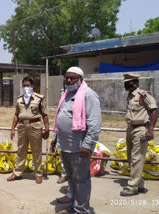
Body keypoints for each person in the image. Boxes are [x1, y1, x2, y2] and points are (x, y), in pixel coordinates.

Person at [53, 67, 101, 214]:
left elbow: (94, 123)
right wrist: (55, 139)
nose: (69, 80)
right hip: (65, 145)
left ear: (81, 79)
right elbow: (60, 118)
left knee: (81, 179)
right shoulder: (66, 94)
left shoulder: (88, 95)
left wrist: (87, 145)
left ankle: (82, 210)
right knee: (72, 178)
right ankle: (74, 203)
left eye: (73, 78)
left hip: (79, 147)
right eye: (67, 77)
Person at [120, 73, 157, 196]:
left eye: (128, 83)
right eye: (125, 83)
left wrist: (150, 130)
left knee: (137, 158)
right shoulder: (130, 96)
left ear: (135, 83)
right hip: (130, 129)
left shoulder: (144, 95)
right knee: (131, 158)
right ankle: (139, 183)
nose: (126, 85)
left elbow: (154, 110)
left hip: (141, 129)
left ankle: (132, 187)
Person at [7, 76, 49, 184]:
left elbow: (45, 115)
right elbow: (16, 114)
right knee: (21, 150)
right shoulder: (19, 99)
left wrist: (47, 129)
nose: (26, 87)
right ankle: (17, 172)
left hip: (34, 126)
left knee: (36, 151)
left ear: (32, 86)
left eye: (28, 85)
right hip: (22, 126)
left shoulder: (39, 98)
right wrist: (12, 129)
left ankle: (38, 174)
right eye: (24, 86)